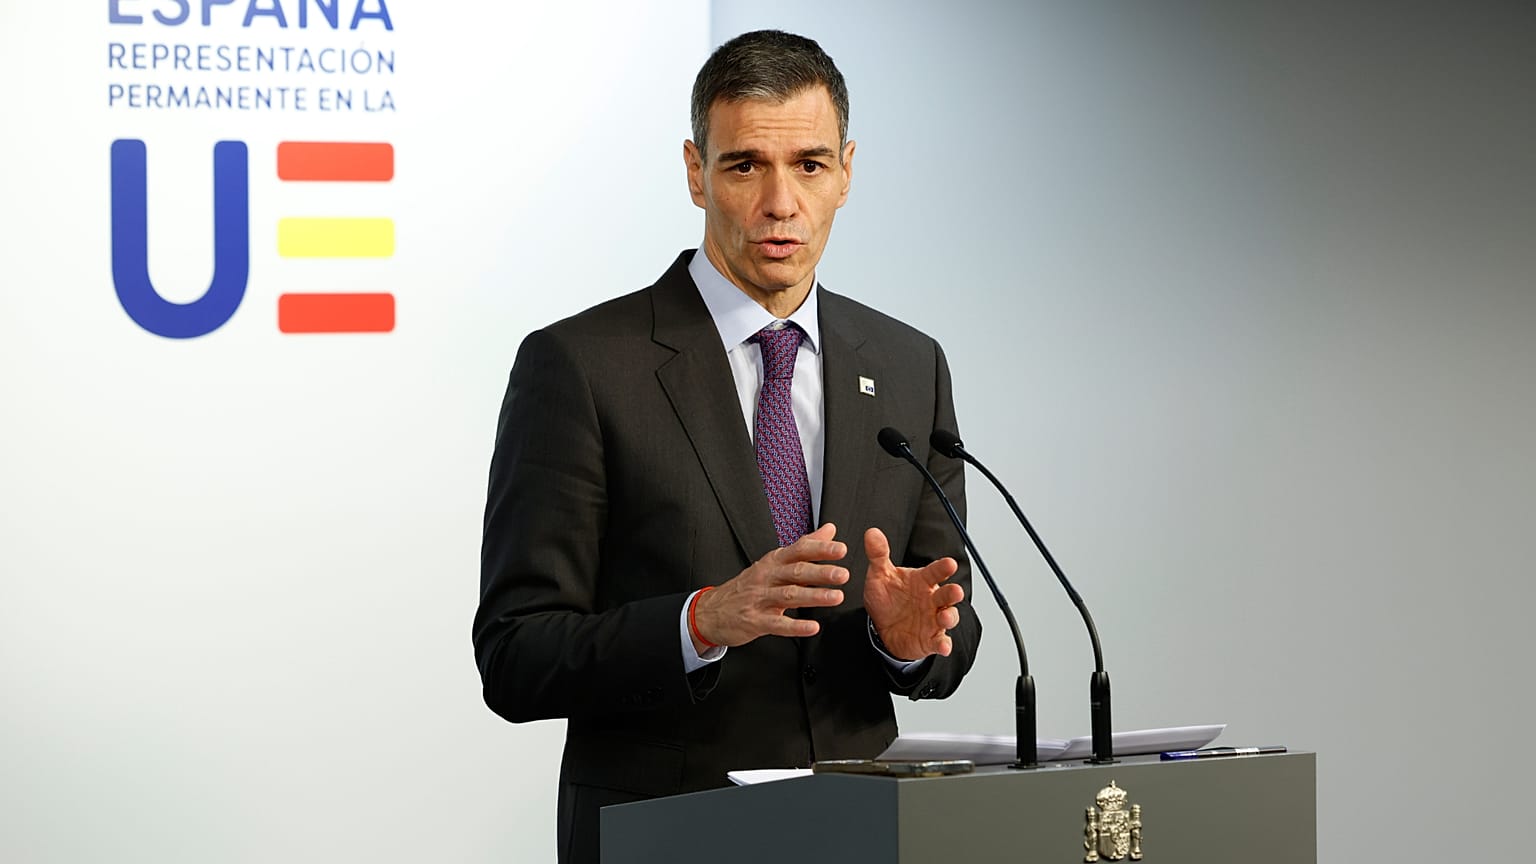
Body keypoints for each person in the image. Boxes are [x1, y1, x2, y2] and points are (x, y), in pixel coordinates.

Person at [474, 29, 982, 864]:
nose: (781, 203)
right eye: (746, 165)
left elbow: (946, 627)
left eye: (810, 166)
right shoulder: (580, 365)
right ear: (694, 171)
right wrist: (700, 620)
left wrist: (902, 641)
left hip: (866, 833)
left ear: (846, 173)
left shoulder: (907, 365)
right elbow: (515, 653)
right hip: (667, 834)